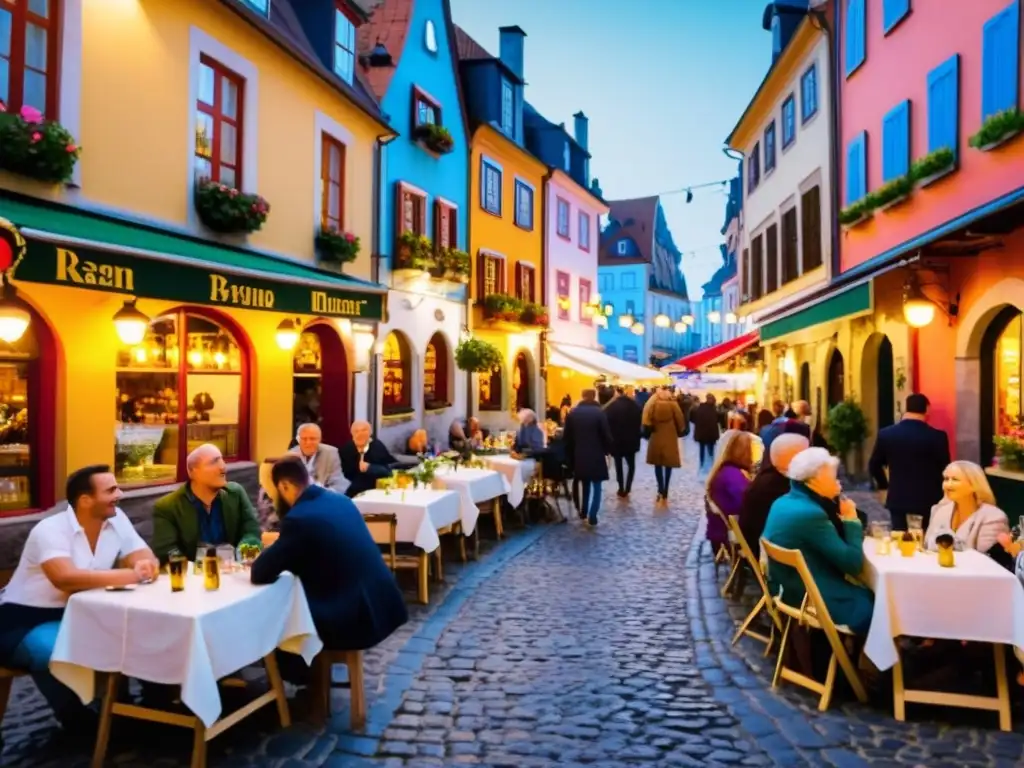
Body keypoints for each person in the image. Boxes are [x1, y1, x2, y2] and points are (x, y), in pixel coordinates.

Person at [0, 466, 159, 738]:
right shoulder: (49, 529)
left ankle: (125, 708)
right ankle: (79, 722)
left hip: (82, 612)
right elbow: (65, 578)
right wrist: (131, 574)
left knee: (133, 635)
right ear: (85, 500)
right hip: (25, 618)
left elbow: (144, 555)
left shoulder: (117, 519)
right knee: (54, 651)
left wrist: (146, 564)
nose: (119, 494)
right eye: (111, 490)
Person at [252, 457, 408, 681]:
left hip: (352, 617)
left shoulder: (299, 518)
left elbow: (260, 572)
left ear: (284, 486)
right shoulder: (339, 501)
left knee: (276, 616)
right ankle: (307, 680)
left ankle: (301, 684)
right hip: (381, 604)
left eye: (273, 492)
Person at [762, 447, 873, 634]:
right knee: (880, 603)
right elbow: (853, 564)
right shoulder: (810, 513)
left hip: (788, 590)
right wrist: (851, 520)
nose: (838, 482)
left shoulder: (782, 502)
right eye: (834, 477)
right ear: (815, 480)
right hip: (813, 599)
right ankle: (878, 660)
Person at [152, 444, 262, 563]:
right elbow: (166, 551)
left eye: (222, 460)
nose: (223, 467)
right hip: (192, 577)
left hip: (233, 571)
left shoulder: (235, 494)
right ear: (193, 472)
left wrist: (245, 557)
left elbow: (252, 532)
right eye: (214, 462)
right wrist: (198, 570)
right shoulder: (167, 507)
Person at [869, 392, 950, 530]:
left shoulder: (887, 434)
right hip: (929, 499)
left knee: (900, 539)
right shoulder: (938, 437)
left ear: (906, 409)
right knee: (925, 540)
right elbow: (946, 468)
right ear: (927, 409)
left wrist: (884, 486)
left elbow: (874, 465)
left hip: (898, 497)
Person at [740, 433, 809, 560]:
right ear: (795, 458)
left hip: (762, 549)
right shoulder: (780, 487)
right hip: (773, 559)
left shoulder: (769, 478)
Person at [924, 460, 1008, 554]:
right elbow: (926, 546)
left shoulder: (993, 517)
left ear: (973, 485)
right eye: (946, 479)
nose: (948, 484)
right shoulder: (940, 510)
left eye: (955, 479)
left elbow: (987, 560)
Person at [564, 388, 613, 526]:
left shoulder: (573, 414)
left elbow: (567, 438)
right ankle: (593, 514)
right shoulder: (600, 413)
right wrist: (607, 451)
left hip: (579, 454)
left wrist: (569, 456)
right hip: (596, 454)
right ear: (594, 397)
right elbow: (606, 435)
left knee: (584, 482)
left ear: (582, 396)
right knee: (597, 485)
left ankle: (583, 511)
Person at [705, 430, 754, 554]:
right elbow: (745, 503)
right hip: (728, 533)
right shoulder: (732, 475)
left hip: (720, 529)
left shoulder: (726, 470)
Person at [644, 388, 686, 508]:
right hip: (670, 435)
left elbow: (648, 419)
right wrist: (680, 430)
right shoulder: (673, 405)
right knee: (668, 464)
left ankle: (660, 488)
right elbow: (680, 420)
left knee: (658, 463)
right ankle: (666, 488)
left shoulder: (653, 405)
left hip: (656, 435)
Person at [340, 421, 397, 497]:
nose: (360, 434)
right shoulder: (346, 449)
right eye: (356, 431)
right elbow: (342, 474)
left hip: (377, 490)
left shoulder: (377, 446)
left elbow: (388, 472)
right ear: (352, 434)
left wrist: (370, 467)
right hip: (353, 492)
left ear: (370, 433)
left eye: (364, 430)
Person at [605, 385, 643, 498]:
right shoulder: (635, 405)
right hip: (632, 440)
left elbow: (607, 421)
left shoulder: (612, 406)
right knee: (631, 465)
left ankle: (620, 487)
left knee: (618, 465)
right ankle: (628, 487)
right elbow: (640, 421)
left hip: (617, 440)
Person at [289, 422, 346, 492]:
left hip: (324, 496)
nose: (308, 443)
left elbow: (338, 482)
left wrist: (323, 495)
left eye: (312, 439)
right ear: (298, 440)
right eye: (304, 439)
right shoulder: (290, 455)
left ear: (319, 440)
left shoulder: (331, 453)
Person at [692, 394, 720, 470]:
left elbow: (694, 418)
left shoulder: (700, 408)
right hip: (711, 434)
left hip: (702, 433)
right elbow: (717, 420)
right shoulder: (714, 409)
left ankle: (702, 463)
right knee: (710, 449)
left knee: (702, 449)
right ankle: (710, 464)